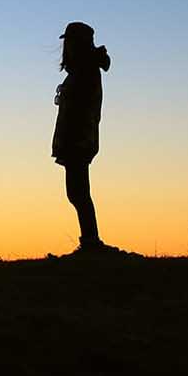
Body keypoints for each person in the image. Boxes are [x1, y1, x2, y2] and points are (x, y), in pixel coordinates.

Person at [52, 21, 120, 253]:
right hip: (77, 139)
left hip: (78, 139)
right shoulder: (83, 70)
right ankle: (90, 240)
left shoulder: (85, 71)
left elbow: (83, 109)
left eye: (71, 41)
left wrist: (76, 138)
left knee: (78, 192)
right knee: (77, 192)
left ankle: (91, 241)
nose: (67, 47)